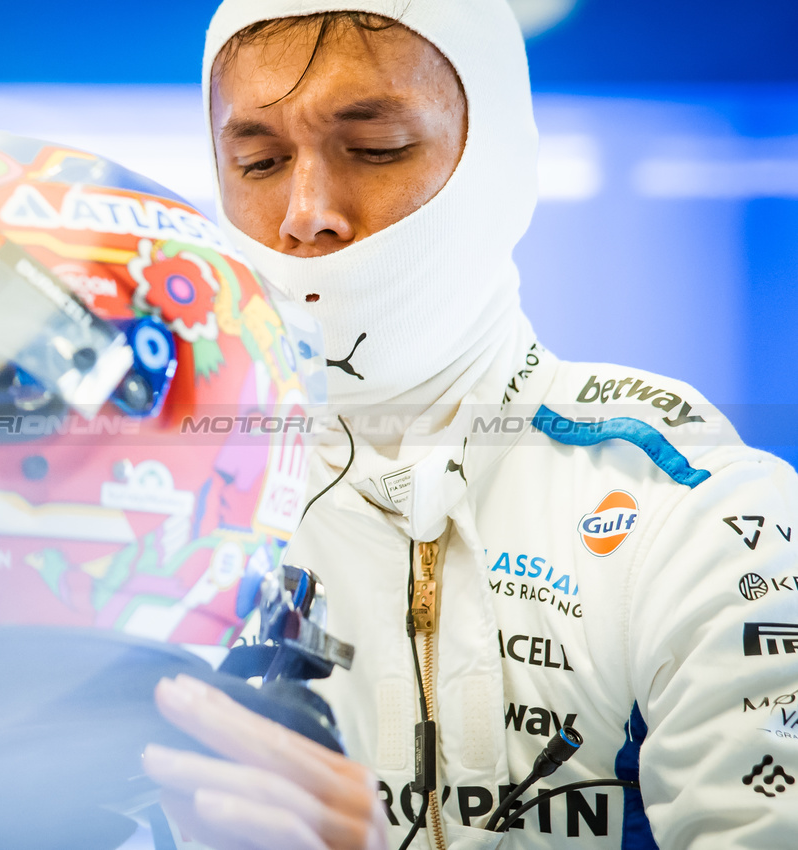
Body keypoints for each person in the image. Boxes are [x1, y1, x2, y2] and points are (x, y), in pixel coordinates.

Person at [142, 1, 798, 848]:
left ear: (497, 162)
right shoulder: (163, 508)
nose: (306, 211)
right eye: (259, 161)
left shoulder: (692, 505)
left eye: (374, 148)